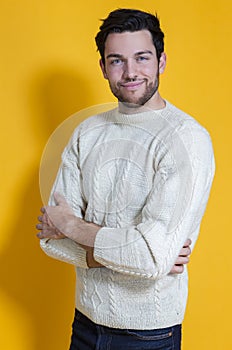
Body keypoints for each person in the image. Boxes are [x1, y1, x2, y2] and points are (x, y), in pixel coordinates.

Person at [36, 8, 215, 350]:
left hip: (148, 334)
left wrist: (72, 227)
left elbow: (151, 259)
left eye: (142, 58)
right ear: (103, 67)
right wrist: (134, 250)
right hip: (85, 323)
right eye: (117, 60)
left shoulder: (187, 139)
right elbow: (50, 241)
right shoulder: (86, 132)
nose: (130, 72)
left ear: (161, 61)